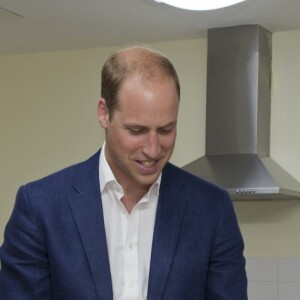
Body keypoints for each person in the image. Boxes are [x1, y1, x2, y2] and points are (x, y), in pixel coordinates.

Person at [0, 45, 248, 299]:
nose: (153, 150)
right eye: (137, 130)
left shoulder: (212, 209)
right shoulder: (40, 207)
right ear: (104, 113)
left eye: (165, 130)